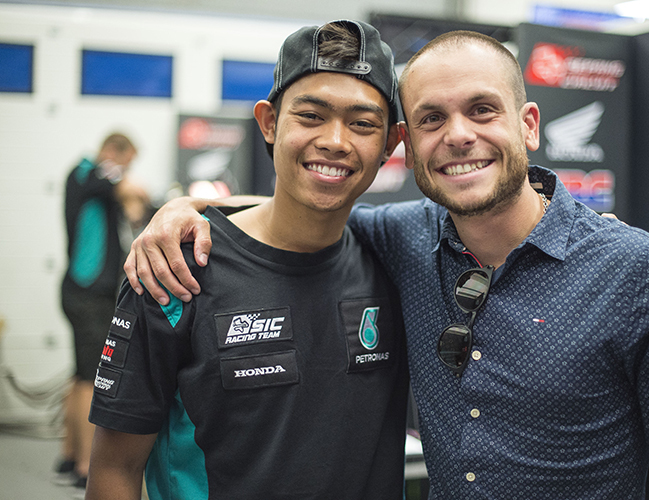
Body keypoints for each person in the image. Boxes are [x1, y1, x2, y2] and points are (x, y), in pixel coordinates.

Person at [124, 31, 649, 499]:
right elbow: (307, 207)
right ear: (407, 146)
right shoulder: (403, 238)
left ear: (528, 125)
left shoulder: (639, 275)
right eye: (431, 119)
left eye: (482, 110)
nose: (458, 135)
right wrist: (187, 207)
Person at [85, 20, 408, 500]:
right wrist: (188, 208)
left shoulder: (398, 262)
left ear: (390, 144)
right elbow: (115, 470)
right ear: (269, 123)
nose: (336, 141)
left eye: (362, 124)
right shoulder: (175, 267)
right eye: (311, 116)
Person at [59, 132, 150, 491]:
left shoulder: (93, 182)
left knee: (77, 375)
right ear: (114, 153)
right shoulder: (88, 174)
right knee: (89, 378)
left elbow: (133, 206)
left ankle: (68, 455)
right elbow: (131, 190)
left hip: (82, 291)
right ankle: (85, 465)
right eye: (127, 161)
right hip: (87, 293)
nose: (126, 170)